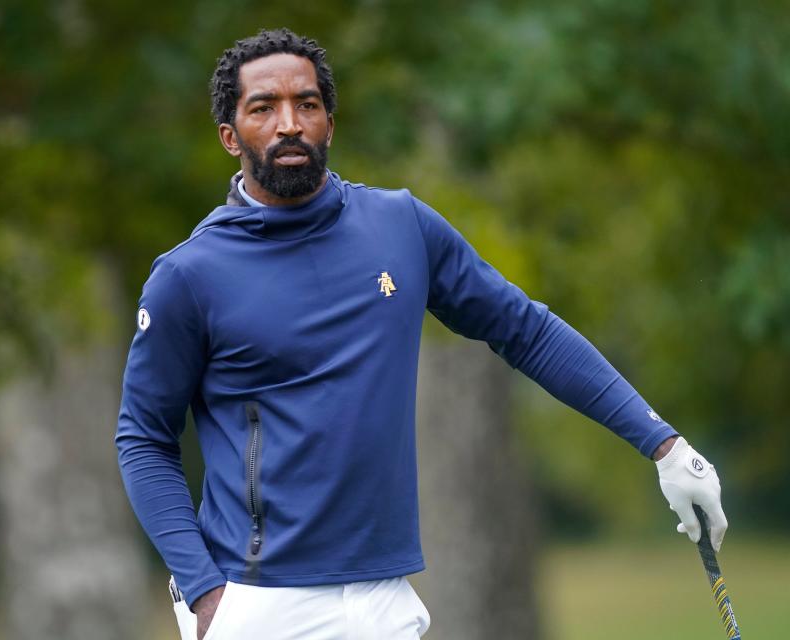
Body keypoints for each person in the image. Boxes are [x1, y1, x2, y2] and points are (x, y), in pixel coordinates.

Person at [116, 28, 728, 640]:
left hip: (385, 598)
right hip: (258, 602)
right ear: (230, 137)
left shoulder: (400, 226)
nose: (289, 124)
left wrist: (663, 444)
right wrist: (204, 591)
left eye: (307, 104)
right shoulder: (189, 276)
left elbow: (525, 331)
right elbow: (143, 437)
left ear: (330, 121)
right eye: (263, 108)